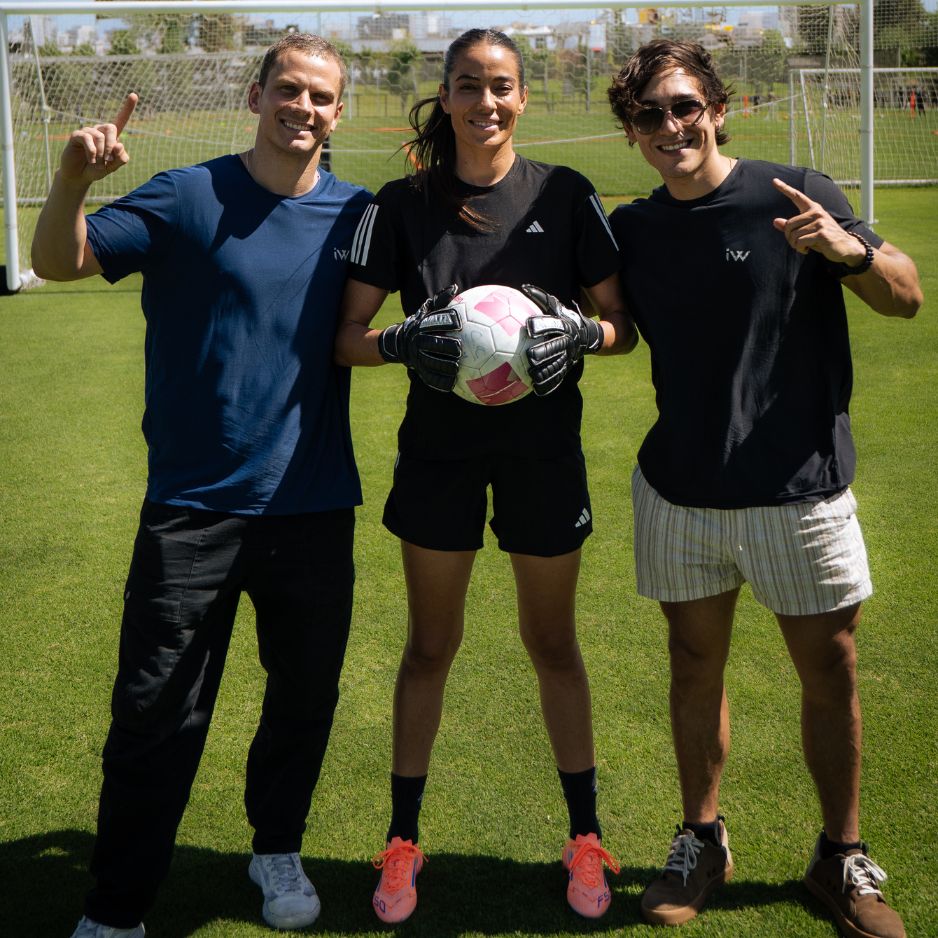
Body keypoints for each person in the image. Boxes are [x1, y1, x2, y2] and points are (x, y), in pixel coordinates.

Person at [30, 34, 372, 938]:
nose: (304, 108)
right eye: (288, 89)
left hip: (313, 506)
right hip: (192, 509)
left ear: (339, 113)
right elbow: (60, 261)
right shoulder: (187, 195)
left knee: (304, 700)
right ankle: (117, 908)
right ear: (256, 97)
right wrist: (71, 183)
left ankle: (276, 848)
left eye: (321, 97)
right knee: (154, 713)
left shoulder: (358, 214)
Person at [606, 39, 922, 937]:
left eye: (684, 106)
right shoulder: (633, 229)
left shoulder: (794, 192)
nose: (671, 126)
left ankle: (841, 857)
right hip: (681, 491)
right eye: (650, 114)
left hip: (800, 491)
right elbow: (613, 321)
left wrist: (847, 250)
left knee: (830, 670)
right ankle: (701, 840)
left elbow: (905, 296)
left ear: (718, 108)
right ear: (633, 132)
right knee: (693, 666)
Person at [334, 27, 638, 925]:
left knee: (554, 643)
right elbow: (347, 337)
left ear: (523, 96)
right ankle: (402, 841)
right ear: (447, 96)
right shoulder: (401, 205)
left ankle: (585, 835)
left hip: (544, 454)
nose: (486, 102)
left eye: (501, 85)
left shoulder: (566, 194)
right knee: (430, 648)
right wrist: (400, 342)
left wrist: (582, 334)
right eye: (468, 85)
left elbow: (622, 325)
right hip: (440, 455)